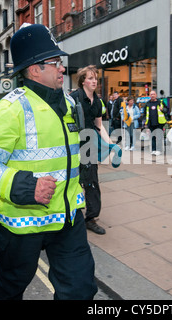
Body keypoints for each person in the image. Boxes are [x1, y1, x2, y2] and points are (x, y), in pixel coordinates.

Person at [0, 23, 97, 300]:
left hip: (67, 218)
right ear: (35, 69)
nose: (63, 68)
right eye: (55, 62)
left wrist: (87, 168)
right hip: (23, 224)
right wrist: (26, 187)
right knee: (10, 288)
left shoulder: (69, 103)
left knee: (80, 290)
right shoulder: (10, 108)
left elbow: (69, 152)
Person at [70, 65, 111, 235]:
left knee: (92, 182)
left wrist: (111, 144)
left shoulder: (99, 102)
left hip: (89, 146)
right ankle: (72, 216)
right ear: (82, 81)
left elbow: (99, 126)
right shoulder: (72, 98)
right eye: (90, 78)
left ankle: (91, 218)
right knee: (73, 182)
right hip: (73, 147)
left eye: (96, 78)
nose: (94, 81)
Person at [144, 90, 167, 155]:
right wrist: (145, 122)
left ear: (156, 95)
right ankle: (153, 150)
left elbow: (166, 110)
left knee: (159, 137)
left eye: (154, 94)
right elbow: (145, 113)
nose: (152, 95)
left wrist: (162, 109)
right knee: (152, 137)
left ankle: (159, 150)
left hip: (159, 123)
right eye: (151, 94)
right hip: (151, 123)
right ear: (149, 96)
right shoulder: (147, 103)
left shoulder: (161, 102)